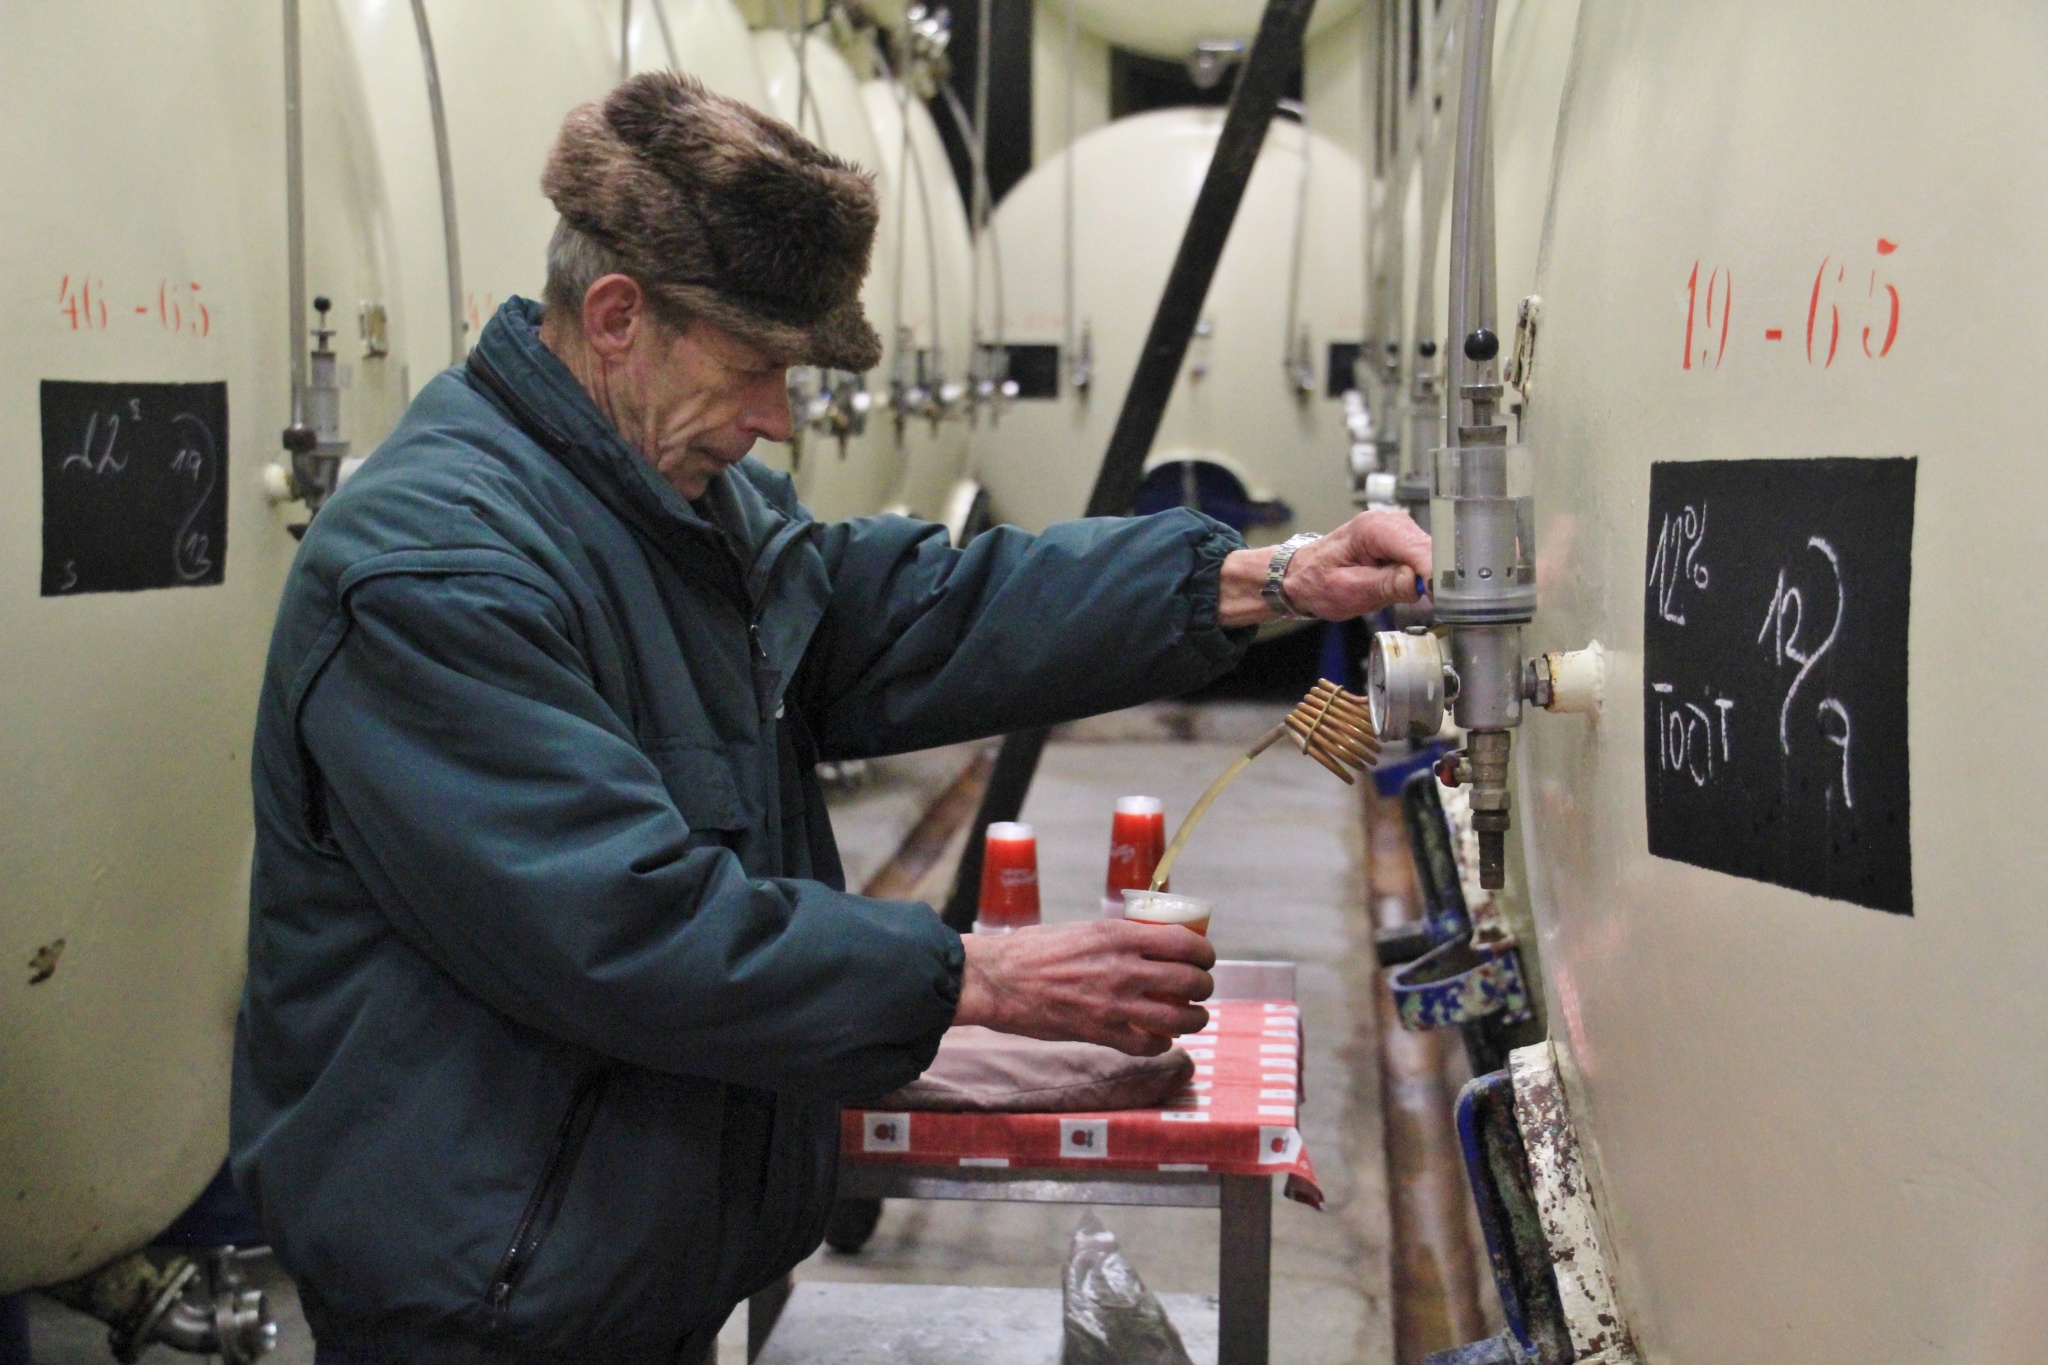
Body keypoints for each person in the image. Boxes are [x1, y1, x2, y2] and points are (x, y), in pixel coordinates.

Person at [231, 72, 1432, 1365]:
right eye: (756, 369)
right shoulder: (434, 571)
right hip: (481, 1294)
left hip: (613, 1254)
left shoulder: (676, 503)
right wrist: (982, 974)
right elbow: (629, 926)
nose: (774, 420)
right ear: (617, 315)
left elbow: (925, 610)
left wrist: (1264, 579)